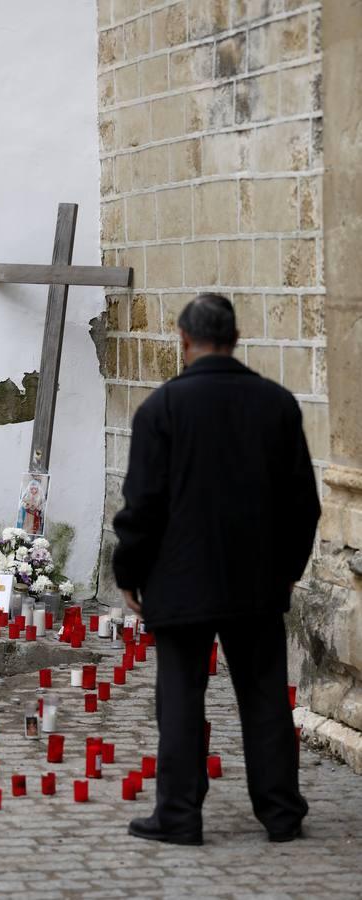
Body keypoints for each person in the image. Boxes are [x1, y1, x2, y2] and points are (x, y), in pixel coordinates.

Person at [113, 293, 321, 846]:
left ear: (184, 340)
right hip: (257, 579)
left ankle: (179, 815)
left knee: (181, 697)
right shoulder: (276, 404)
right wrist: (289, 567)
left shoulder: (161, 410)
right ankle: (281, 812)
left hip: (179, 578)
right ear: (235, 339)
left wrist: (130, 571)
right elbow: (303, 502)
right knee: (265, 697)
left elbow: (143, 504)